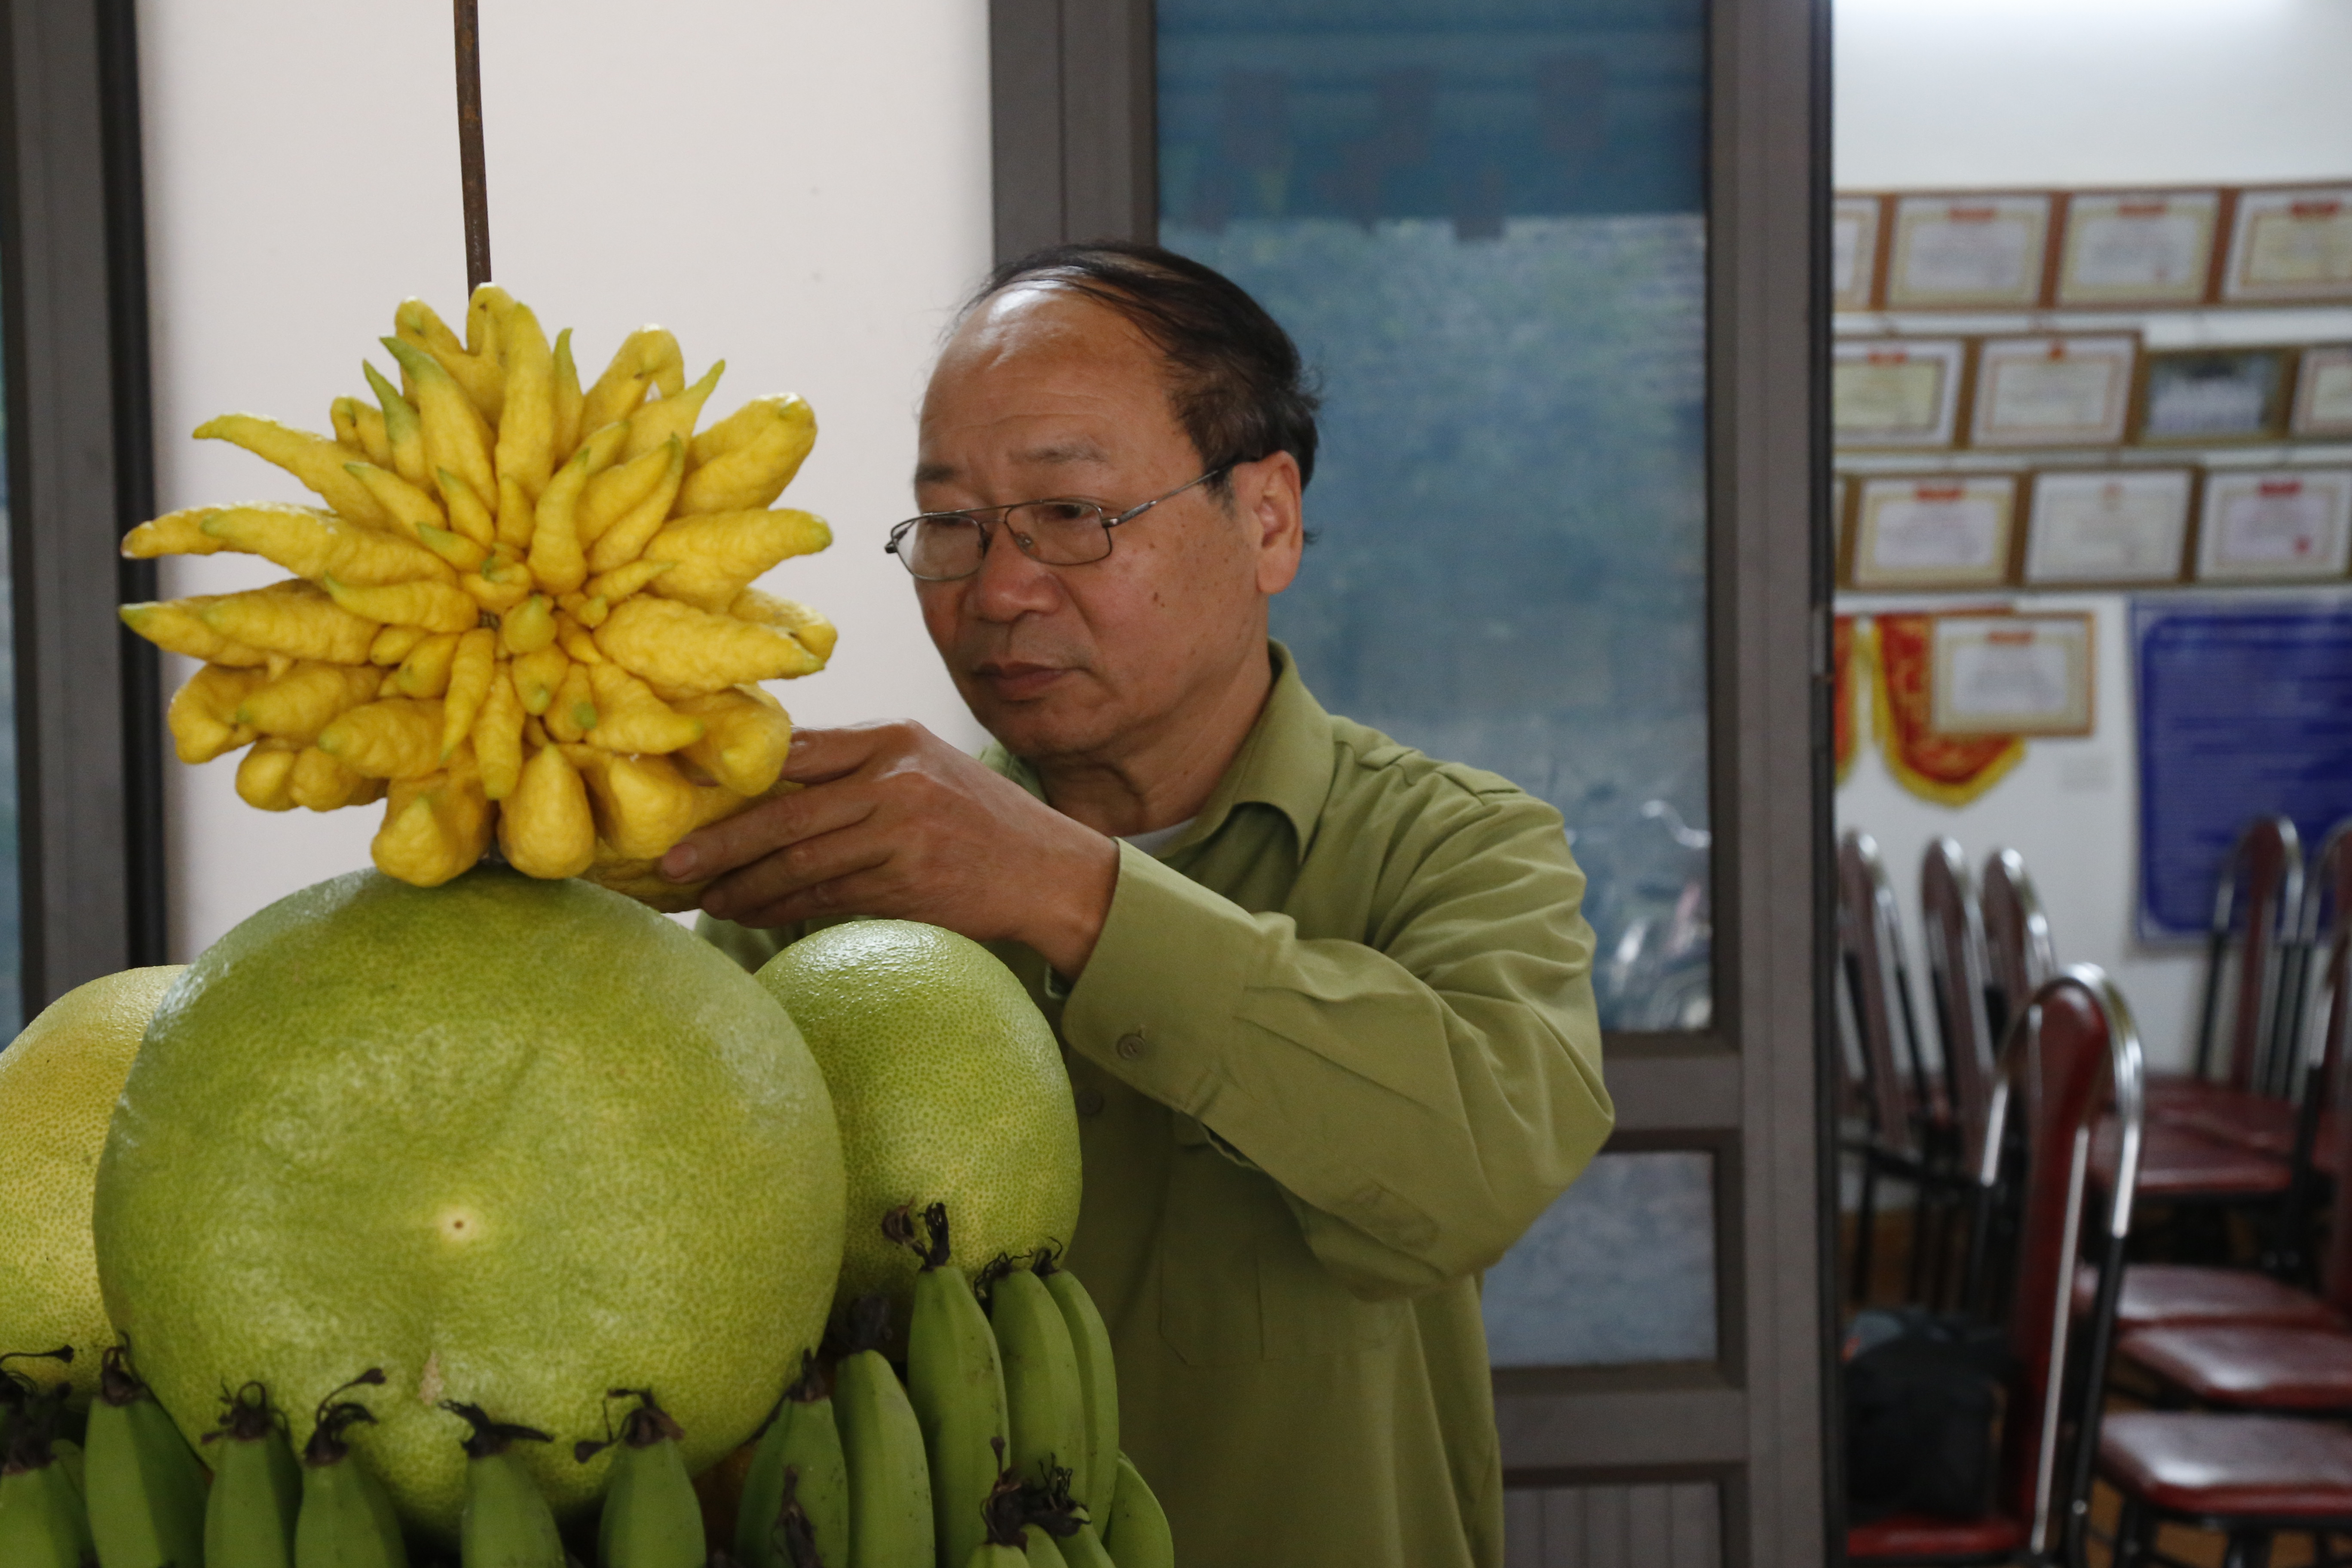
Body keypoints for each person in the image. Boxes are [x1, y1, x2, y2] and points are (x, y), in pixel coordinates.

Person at [669, 241, 1612, 1568]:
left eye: (1072, 514)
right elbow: (678, 1269)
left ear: (1268, 518)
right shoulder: (830, 883)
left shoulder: (1454, 850)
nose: (997, 590)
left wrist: (1061, 886)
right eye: (952, 523)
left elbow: (1471, 1170)